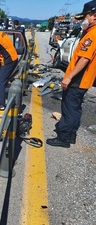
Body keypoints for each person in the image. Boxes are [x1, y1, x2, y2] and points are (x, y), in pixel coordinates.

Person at [46, 0, 96, 148]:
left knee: (69, 108)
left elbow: (84, 59)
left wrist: (68, 77)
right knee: (75, 108)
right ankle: (71, 135)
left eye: (85, 17)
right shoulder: (90, 32)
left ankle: (63, 138)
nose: (83, 21)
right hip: (83, 80)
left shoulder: (92, 35)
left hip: (77, 80)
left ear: (94, 16)